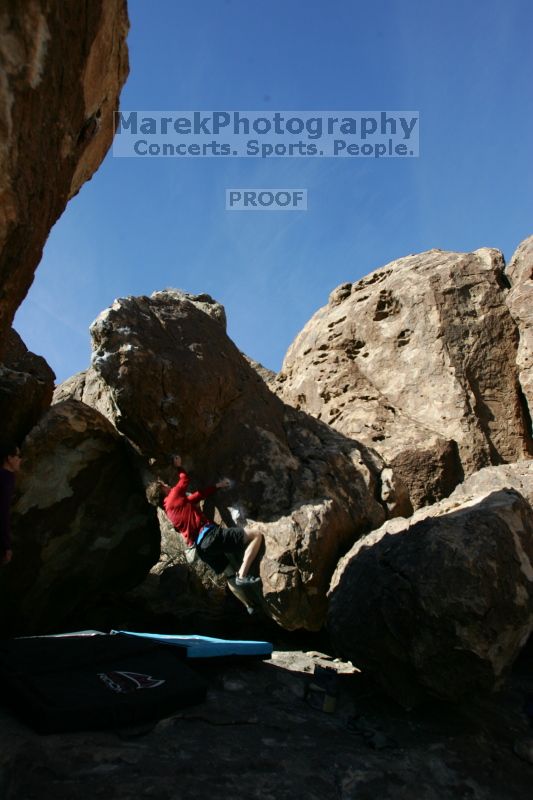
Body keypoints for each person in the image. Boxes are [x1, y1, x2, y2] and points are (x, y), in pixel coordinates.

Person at [148, 455, 262, 586]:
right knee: (256, 534)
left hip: (202, 550)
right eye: (163, 485)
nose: (167, 485)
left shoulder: (170, 511)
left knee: (229, 574)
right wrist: (178, 466)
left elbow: (196, 496)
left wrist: (217, 486)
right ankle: (242, 575)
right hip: (210, 537)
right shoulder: (173, 496)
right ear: (162, 489)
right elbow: (184, 479)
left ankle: (245, 597)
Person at [0, 444, 22, 566]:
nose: (20, 459)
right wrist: (6, 546)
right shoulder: (6, 479)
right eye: (18, 456)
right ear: (9, 458)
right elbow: (3, 513)